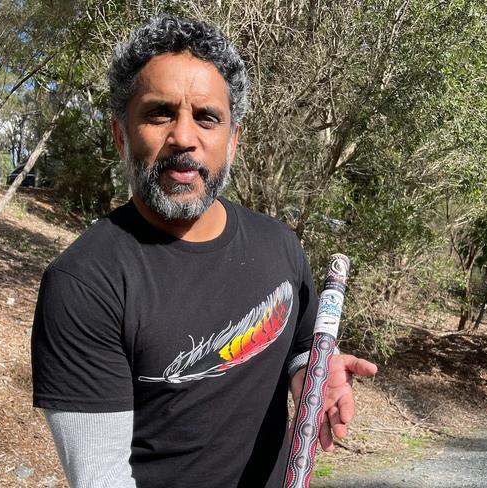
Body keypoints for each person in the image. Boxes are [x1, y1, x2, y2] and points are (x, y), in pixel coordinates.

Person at [31, 14, 377, 488]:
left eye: (207, 118)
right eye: (159, 113)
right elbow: (101, 478)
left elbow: (297, 345)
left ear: (231, 141)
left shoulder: (280, 246)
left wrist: (315, 377)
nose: (184, 138)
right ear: (120, 134)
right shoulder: (85, 284)